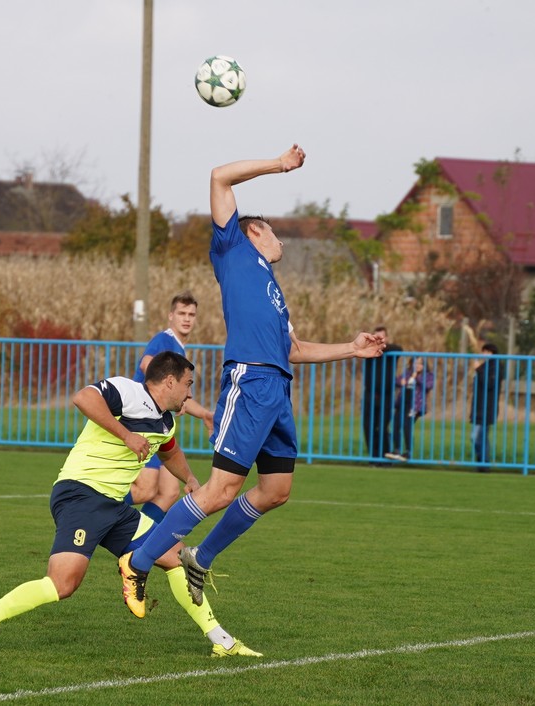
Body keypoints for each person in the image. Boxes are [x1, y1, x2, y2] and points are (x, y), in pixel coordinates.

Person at [118, 144, 386, 615]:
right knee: (221, 489)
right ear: (257, 230)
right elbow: (220, 175)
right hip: (251, 381)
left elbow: (294, 350)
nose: (281, 241)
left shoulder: (273, 290)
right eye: (275, 232)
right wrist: (278, 166)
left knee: (277, 490)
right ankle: (137, 562)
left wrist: (351, 347)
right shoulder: (233, 248)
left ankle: (201, 555)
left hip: (277, 389)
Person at [0, 351, 262, 659]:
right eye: (188, 384)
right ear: (169, 381)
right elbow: (83, 398)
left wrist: (191, 479)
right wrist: (126, 435)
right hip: (81, 494)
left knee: (176, 558)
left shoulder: (166, 422)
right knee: (62, 583)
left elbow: (169, 452)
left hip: (114, 506)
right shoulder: (128, 391)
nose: (189, 393)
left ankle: (222, 641)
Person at [127, 291, 214, 522]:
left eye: (191, 314)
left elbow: (182, 395)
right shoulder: (165, 340)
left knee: (169, 492)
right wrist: (168, 390)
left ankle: (139, 541)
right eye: (182, 313)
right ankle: (95, 506)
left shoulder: (179, 348)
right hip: (143, 420)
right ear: (170, 316)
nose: (187, 318)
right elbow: (147, 364)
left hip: (158, 425)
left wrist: (205, 414)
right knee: (145, 489)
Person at [363, 326, 403, 462]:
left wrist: (381, 346)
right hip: (370, 395)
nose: (378, 340)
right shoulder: (368, 352)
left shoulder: (392, 352)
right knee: (368, 427)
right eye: (376, 337)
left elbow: (399, 348)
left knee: (382, 427)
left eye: (382, 337)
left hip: (386, 396)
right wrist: (374, 346)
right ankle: (374, 458)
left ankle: (384, 457)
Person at [385, 356, 434, 462]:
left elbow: (428, 385)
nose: (417, 366)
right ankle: (396, 450)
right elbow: (397, 381)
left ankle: (408, 452)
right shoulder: (407, 373)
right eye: (415, 363)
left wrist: (416, 377)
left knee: (407, 426)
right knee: (395, 425)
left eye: (420, 363)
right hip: (402, 403)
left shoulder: (428, 375)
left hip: (415, 406)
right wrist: (400, 381)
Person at [469, 342, 505, 473]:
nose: (484, 354)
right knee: (480, 437)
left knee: (477, 436)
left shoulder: (495, 367)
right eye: (483, 351)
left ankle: (483, 463)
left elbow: (489, 384)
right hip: (478, 407)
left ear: (492, 353)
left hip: (487, 408)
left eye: (486, 352)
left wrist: (478, 369)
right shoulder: (485, 366)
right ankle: (482, 463)